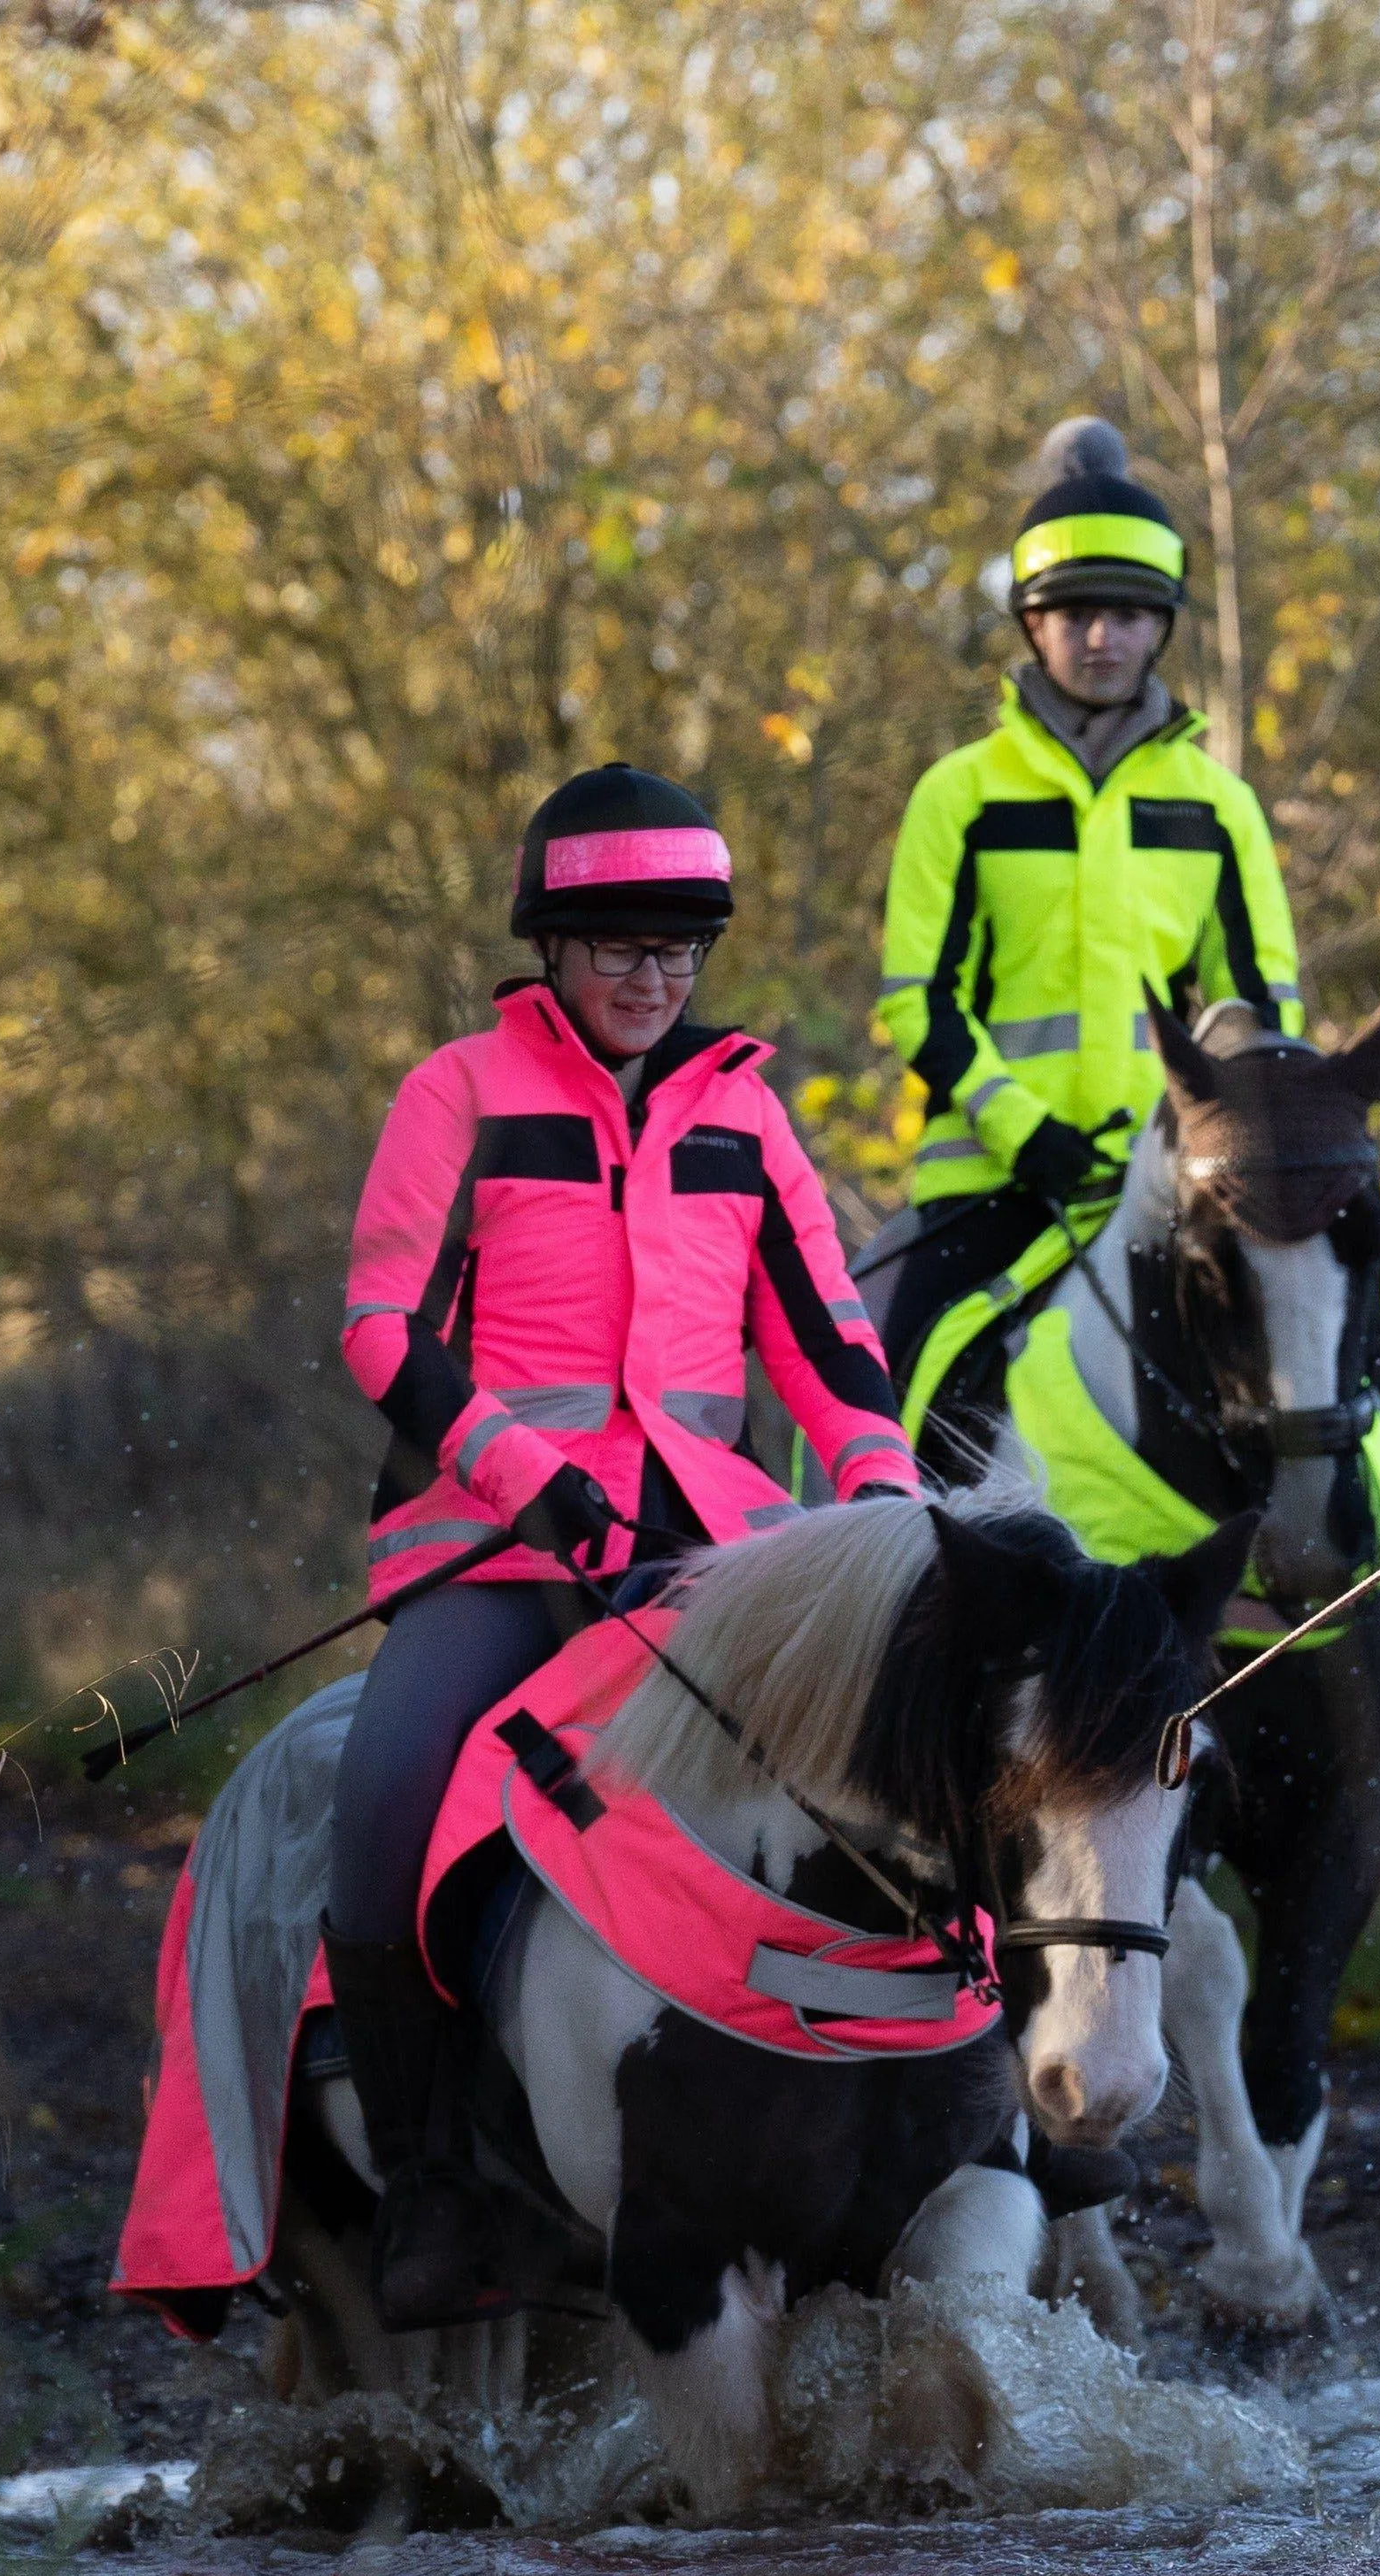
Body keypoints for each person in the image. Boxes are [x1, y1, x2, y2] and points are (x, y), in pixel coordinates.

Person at [327, 765, 921, 2327]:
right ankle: (429, 2190)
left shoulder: (743, 1111)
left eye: (679, 953)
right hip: (492, 1556)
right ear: (554, 950)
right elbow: (382, 1329)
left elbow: (828, 1340)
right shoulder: (456, 1093)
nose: (652, 980)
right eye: (620, 952)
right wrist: (529, 1477)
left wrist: (884, 1501)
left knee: (907, 1762)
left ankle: (974, 2107)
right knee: (386, 1809)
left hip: (708, 1549)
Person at [867, 417, 1304, 1442]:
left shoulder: (1218, 805)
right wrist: (1026, 1134)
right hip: (987, 1183)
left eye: (1127, 613)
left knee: (1373, 1328)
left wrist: (1215, 1137)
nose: (1101, 637)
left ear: (1162, 625)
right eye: (1073, 614)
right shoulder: (959, 796)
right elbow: (917, 1002)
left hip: (1179, 1187)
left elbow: (1258, 1003)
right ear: (1031, 623)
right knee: (869, 1376)